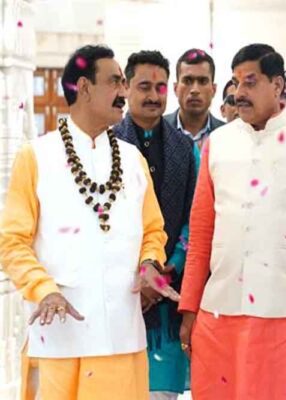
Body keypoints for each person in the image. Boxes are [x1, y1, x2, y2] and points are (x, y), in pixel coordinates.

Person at [0, 44, 179, 400]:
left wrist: (149, 264)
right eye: (115, 81)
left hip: (121, 337)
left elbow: (153, 231)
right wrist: (43, 289)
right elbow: (11, 241)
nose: (124, 92)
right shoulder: (36, 157)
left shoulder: (132, 160)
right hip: (60, 336)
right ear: (83, 87)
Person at [178, 43, 286, 400]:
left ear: (277, 85)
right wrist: (189, 308)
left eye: (250, 82)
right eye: (236, 82)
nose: (239, 92)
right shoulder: (217, 143)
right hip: (220, 310)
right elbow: (201, 233)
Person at [113, 50, 198, 400]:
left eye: (160, 87)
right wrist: (137, 276)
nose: (153, 95)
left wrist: (166, 270)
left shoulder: (186, 149)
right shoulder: (107, 146)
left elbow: (195, 219)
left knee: (161, 393)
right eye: (144, 86)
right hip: (119, 295)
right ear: (125, 87)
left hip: (167, 302)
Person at [165, 49, 224, 149]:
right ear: (175, 88)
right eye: (187, 81)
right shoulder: (157, 131)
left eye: (203, 81)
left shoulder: (227, 135)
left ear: (213, 90)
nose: (195, 90)